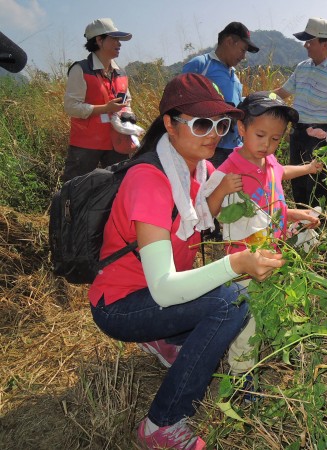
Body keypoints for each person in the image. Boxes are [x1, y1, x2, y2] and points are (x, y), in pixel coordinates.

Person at [87, 73, 285, 450]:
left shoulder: (198, 171)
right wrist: (236, 265)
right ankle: (162, 423)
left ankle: (162, 337)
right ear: (169, 124)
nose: (214, 133)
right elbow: (163, 287)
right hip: (119, 304)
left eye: (221, 124)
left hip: (151, 293)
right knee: (230, 303)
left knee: (224, 304)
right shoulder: (150, 180)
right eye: (201, 123)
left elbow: (211, 221)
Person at [201, 92, 321, 382]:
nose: (267, 145)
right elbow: (206, 215)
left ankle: (270, 350)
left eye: (276, 139)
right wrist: (221, 190)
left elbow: (279, 181)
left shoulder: (268, 162)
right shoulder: (228, 169)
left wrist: (297, 209)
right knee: (247, 317)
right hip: (244, 259)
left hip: (273, 249)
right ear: (241, 129)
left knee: (272, 301)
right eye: (260, 135)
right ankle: (242, 377)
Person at [273, 17, 327, 209]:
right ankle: (301, 222)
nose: (306, 45)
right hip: (298, 131)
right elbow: (282, 93)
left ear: (325, 43)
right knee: (297, 178)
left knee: (316, 182)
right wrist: (260, 99)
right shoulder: (302, 67)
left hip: (320, 134)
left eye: (310, 41)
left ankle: (316, 225)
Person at [63, 18, 135, 182]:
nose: (119, 44)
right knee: (75, 188)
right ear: (99, 40)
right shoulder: (80, 69)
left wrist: (128, 115)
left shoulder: (121, 73)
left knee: (119, 186)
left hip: (117, 142)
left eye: (119, 40)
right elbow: (71, 107)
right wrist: (105, 108)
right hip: (85, 145)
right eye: (114, 39)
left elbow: (127, 102)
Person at [182, 22, 259, 168]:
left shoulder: (234, 75)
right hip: (211, 147)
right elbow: (181, 102)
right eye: (242, 50)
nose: (243, 57)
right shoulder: (201, 65)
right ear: (229, 42)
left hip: (235, 147)